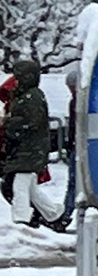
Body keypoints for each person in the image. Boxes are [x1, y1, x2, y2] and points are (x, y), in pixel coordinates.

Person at [2, 58, 67, 231]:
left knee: (20, 186)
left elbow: (32, 122)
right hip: (27, 149)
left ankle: (21, 221)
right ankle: (53, 213)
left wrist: (9, 124)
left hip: (28, 149)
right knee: (29, 186)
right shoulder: (27, 96)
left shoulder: (32, 97)